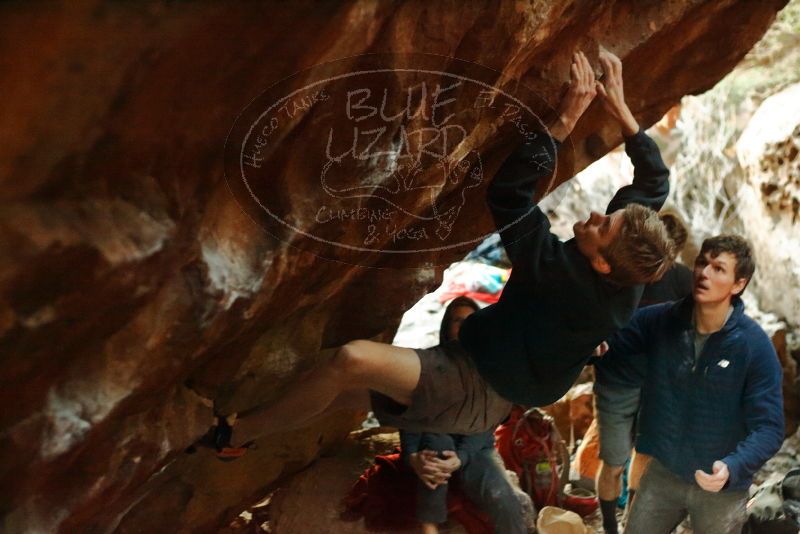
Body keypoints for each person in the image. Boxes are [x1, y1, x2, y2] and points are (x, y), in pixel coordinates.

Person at [199, 50, 676, 459]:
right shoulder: (629, 265)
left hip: (474, 387)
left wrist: (564, 121)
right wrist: (620, 106)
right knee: (340, 389)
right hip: (487, 375)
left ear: (600, 264)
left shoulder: (563, 274)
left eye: (603, 226)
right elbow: (653, 185)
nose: (596, 216)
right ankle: (240, 439)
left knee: (350, 361)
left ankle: (234, 433)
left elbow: (509, 197)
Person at [599, 235, 784, 534]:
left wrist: (732, 467)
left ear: (738, 284)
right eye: (702, 263)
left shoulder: (754, 347)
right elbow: (612, 343)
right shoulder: (661, 321)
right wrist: (594, 346)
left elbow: (770, 427)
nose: (704, 274)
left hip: (721, 488)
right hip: (663, 473)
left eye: (719, 269)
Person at [592, 211, 693, 534]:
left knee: (646, 457)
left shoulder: (682, 281)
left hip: (659, 385)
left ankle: (632, 524)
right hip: (616, 382)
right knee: (614, 461)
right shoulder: (623, 273)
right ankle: (609, 526)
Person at [400, 297, 527, 534]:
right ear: (447, 327)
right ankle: (430, 526)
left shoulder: (491, 368)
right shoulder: (430, 363)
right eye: (458, 321)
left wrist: (461, 457)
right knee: (436, 447)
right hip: (436, 442)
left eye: (470, 320)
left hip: (475, 448)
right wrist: (412, 456)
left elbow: (484, 429)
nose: (464, 326)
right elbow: (411, 418)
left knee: (506, 499)